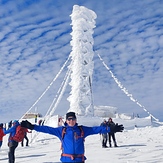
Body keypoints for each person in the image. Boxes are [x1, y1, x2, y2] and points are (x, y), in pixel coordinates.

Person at [21, 112, 124, 162]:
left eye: (73, 119)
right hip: (66, 160)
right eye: (69, 119)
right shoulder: (62, 131)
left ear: (75, 120)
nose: (71, 121)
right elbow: (47, 129)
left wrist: (110, 129)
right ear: (66, 121)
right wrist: (32, 126)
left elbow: (96, 129)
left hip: (79, 160)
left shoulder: (81, 129)